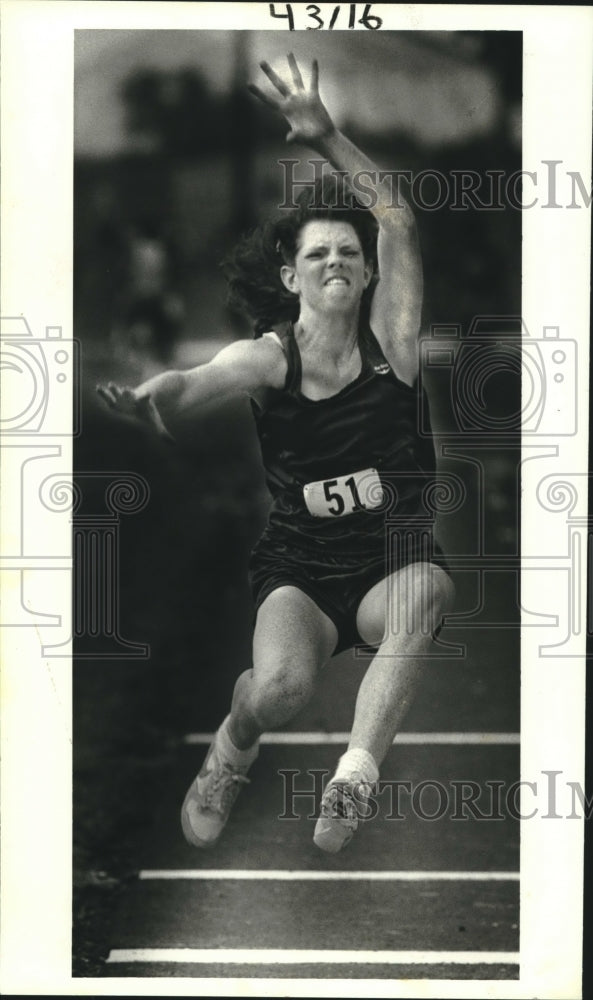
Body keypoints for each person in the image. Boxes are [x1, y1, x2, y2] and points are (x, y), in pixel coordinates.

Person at [97, 54, 455, 854]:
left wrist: (325, 136)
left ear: (365, 276)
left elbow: (394, 216)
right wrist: (163, 393)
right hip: (302, 569)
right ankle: (233, 744)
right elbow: (202, 378)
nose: (337, 261)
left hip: (388, 564)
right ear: (291, 275)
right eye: (319, 254)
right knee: (280, 692)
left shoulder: (390, 346)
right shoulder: (270, 360)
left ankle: (352, 781)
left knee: (424, 591)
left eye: (348, 255)